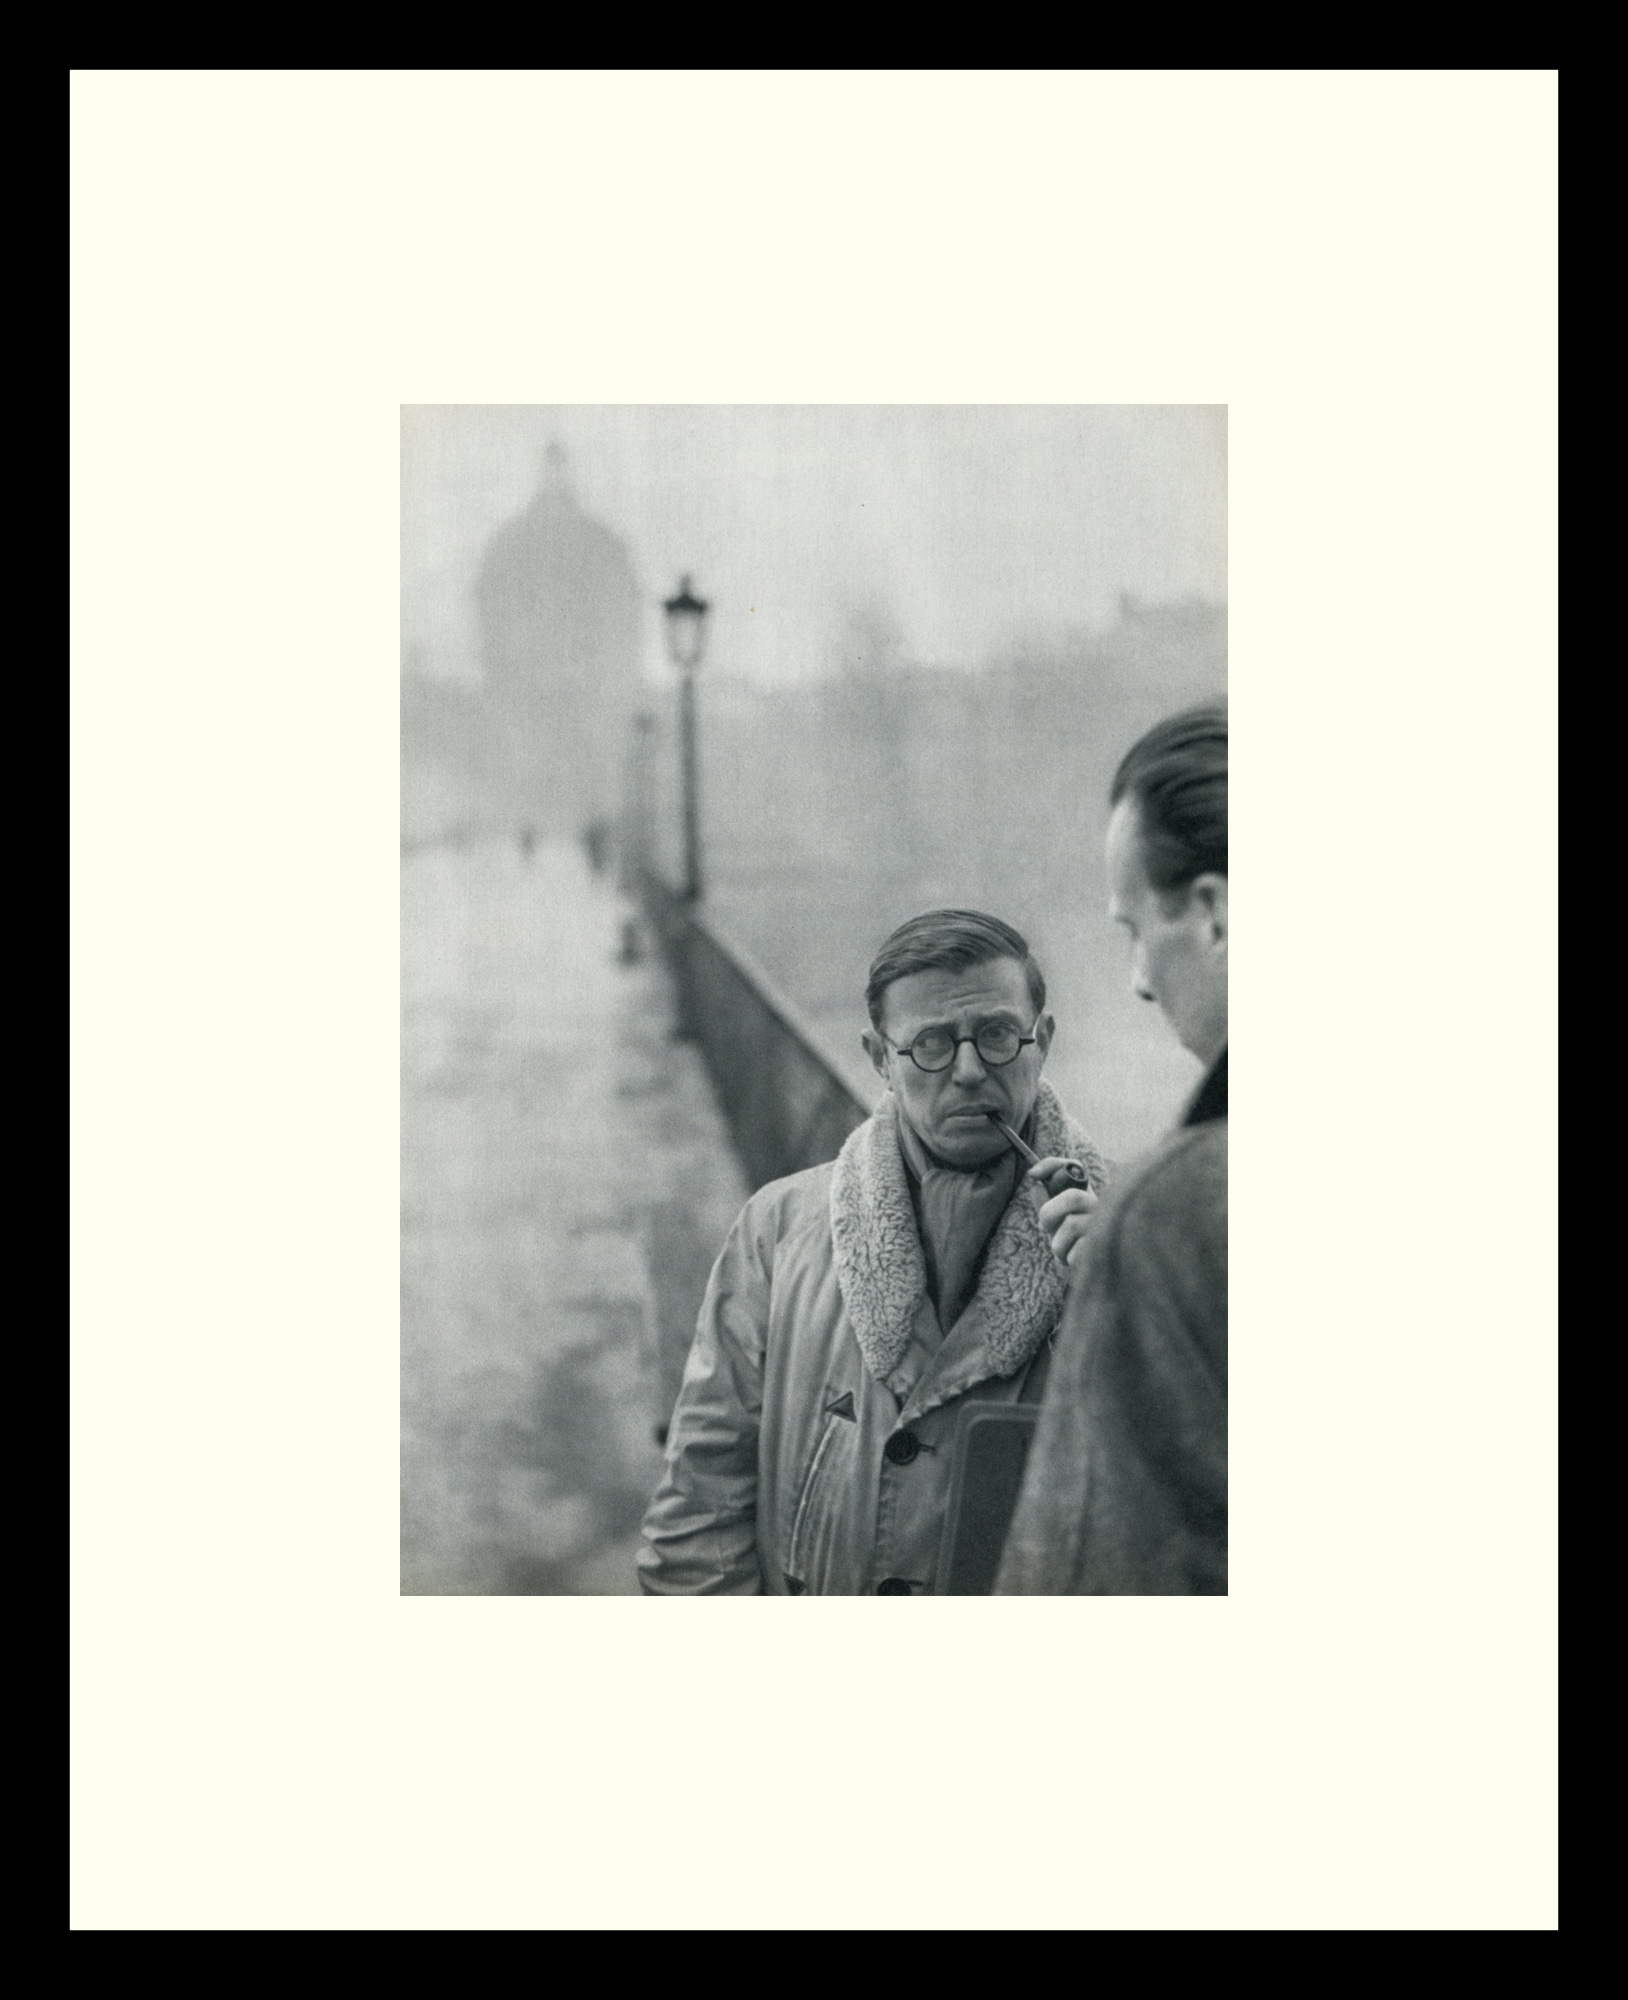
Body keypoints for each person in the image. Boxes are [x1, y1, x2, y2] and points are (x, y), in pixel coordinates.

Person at [637, 910, 1109, 1595]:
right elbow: (698, 1517)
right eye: (930, 1044)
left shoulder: (1134, 1239)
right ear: (879, 1059)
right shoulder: (777, 1231)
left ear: (1045, 1041)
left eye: (999, 1035)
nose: (970, 1070)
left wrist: (1128, 1308)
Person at [996, 702, 1227, 1595]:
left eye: (1135, 931)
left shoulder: (1174, 1213)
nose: (1136, 983)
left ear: (1213, 913)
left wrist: (1146, 1253)